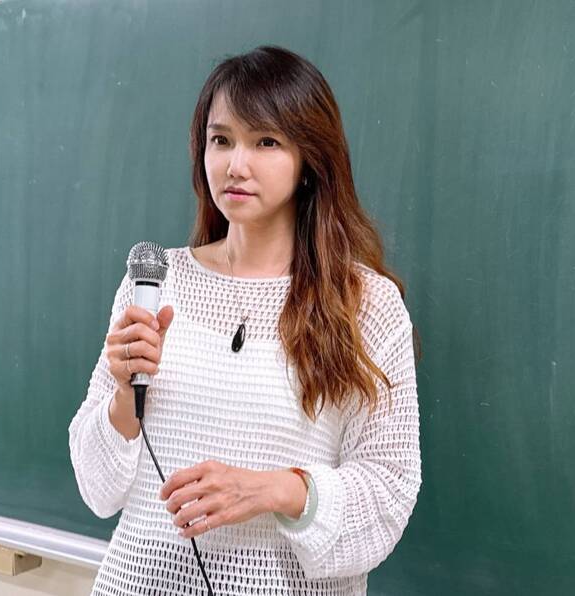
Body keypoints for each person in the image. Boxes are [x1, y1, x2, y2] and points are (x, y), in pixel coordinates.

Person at [68, 45, 422, 595]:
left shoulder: (365, 304)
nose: (236, 165)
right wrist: (121, 396)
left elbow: (388, 493)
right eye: (221, 140)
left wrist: (273, 490)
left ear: (310, 159)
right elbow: (97, 488)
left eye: (266, 142)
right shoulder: (156, 283)